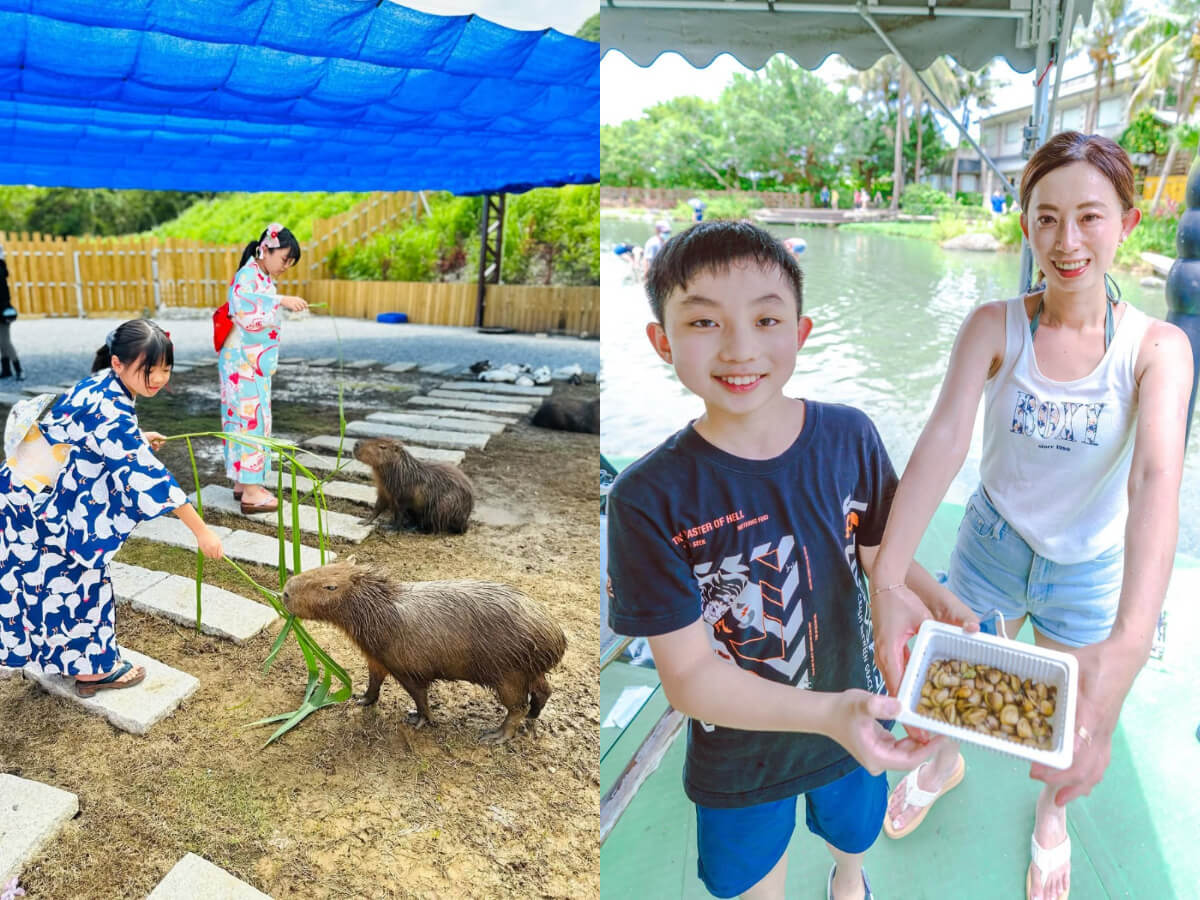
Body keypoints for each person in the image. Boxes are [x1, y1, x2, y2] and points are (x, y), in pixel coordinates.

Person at [869, 132, 1192, 900]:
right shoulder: (994, 326)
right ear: (1025, 225)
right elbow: (944, 441)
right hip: (991, 544)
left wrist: (1132, 641)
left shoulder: (1158, 349)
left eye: (1089, 216)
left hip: (1087, 564)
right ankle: (944, 763)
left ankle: (1053, 815)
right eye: (1046, 218)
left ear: (1128, 220)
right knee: (946, 678)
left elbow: (1155, 480)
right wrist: (888, 576)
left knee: (1072, 713)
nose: (1067, 241)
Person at [606, 221, 972, 900]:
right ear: (662, 342)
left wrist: (932, 595)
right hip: (741, 749)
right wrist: (829, 713)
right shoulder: (646, 499)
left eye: (766, 318)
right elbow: (687, 677)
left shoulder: (850, 436)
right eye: (704, 323)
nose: (741, 348)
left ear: (800, 333)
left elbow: (875, 551)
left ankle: (849, 881)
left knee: (854, 837)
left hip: (858, 712)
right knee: (752, 882)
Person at [0, 319, 224, 694]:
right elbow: (149, 477)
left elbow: (92, 431)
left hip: (27, 494)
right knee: (81, 583)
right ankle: (93, 670)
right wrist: (201, 530)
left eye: (165, 369)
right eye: (149, 371)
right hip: (40, 507)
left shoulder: (102, 382)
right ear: (118, 363)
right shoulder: (112, 408)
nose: (158, 379)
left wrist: (136, 436)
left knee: (47, 584)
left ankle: (65, 658)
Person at [219, 223, 309, 514]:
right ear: (266, 249)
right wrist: (281, 300)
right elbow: (246, 307)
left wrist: (277, 301)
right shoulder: (249, 276)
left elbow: (259, 307)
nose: (286, 267)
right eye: (285, 259)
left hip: (242, 358)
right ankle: (252, 492)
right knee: (251, 419)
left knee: (241, 417)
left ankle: (242, 483)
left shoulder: (259, 276)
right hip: (245, 359)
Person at [0, 244, 23, 380]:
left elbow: (2, 295)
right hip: (3, 309)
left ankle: (19, 369)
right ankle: (6, 369)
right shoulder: (2, 270)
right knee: (2, 341)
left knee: (5, 341)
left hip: (1, 311)